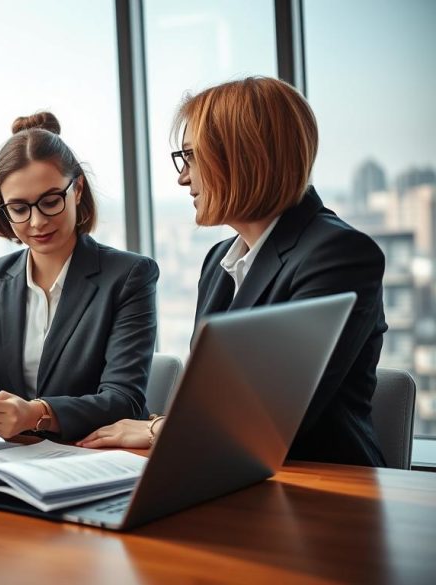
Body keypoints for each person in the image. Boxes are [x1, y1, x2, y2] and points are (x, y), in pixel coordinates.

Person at [78, 77, 388, 467]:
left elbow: (269, 420)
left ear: (243, 155)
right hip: (225, 475)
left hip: (322, 488)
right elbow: (209, 401)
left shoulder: (338, 255)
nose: (182, 177)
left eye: (191, 157)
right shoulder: (218, 262)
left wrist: (157, 428)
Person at [0, 112, 159, 441]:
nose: (36, 222)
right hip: (11, 459)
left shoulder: (128, 275)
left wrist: (38, 414)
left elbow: (125, 401)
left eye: (50, 201)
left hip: (87, 456)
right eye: (19, 208)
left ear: (77, 189)